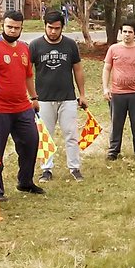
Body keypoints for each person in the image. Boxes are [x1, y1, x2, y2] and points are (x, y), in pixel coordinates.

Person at [0, 10, 43, 197]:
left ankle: (25, 182)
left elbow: (29, 75)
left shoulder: (24, 47)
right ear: (2, 25)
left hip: (22, 107)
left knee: (31, 142)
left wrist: (34, 98)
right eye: (9, 26)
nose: (13, 30)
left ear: (22, 28)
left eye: (16, 27)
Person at [28, 9, 87, 181]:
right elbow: (27, 72)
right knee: (45, 135)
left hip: (67, 97)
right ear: (44, 26)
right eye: (50, 27)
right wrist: (32, 97)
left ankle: (74, 167)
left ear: (62, 28)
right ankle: (46, 169)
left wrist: (82, 94)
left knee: (71, 134)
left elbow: (78, 69)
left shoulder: (70, 45)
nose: (53, 31)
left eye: (57, 28)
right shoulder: (35, 45)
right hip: (43, 99)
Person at [102, 22, 135, 159]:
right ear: (121, 33)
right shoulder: (113, 49)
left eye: (130, 32)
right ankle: (113, 151)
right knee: (116, 124)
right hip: (117, 94)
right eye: (124, 31)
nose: (127, 34)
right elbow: (107, 68)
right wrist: (105, 88)